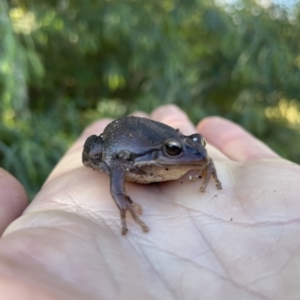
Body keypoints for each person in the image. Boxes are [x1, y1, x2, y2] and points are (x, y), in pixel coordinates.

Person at [0, 104, 299, 300]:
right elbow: (118, 165)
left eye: (199, 146)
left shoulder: (190, 155)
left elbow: (197, 152)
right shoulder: (138, 163)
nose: (198, 155)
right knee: (95, 150)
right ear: (163, 149)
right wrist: (121, 199)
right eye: (172, 150)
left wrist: (204, 163)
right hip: (118, 146)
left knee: (188, 148)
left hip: (147, 139)